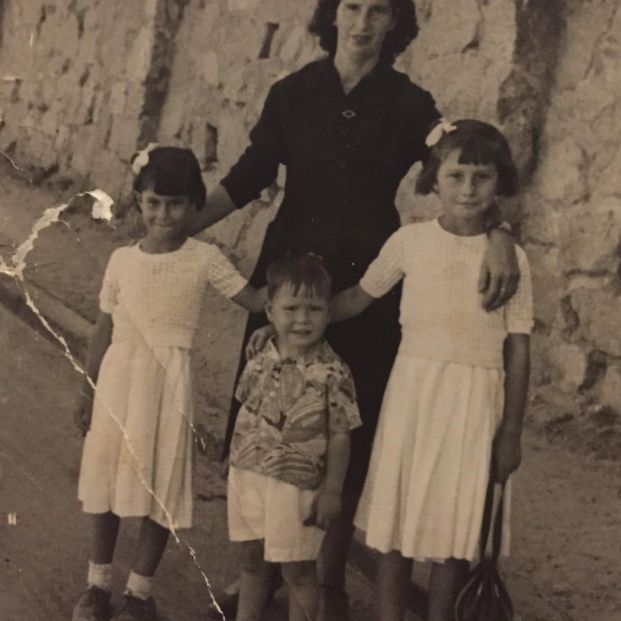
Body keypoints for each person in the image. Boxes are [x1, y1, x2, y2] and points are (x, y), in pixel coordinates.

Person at [196, 1, 520, 617]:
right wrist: (177, 231)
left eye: (379, 10)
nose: (363, 21)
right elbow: (246, 177)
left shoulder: (412, 104)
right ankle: (261, 568)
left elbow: (464, 158)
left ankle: (327, 576)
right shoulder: (291, 92)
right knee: (268, 418)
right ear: (332, 14)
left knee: (349, 428)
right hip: (290, 281)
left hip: (369, 284)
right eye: (352, 6)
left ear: (396, 23)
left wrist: (498, 232)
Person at [330, 119, 532, 621]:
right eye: (456, 175)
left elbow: (519, 350)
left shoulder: (512, 259)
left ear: (498, 182)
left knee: (456, 530)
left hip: (475, 401)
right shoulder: (410, 242)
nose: (468, 189)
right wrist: (295, 312)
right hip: (414, 394)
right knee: (397, 522)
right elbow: (358, 298)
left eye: (481, 177)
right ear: (433, 180)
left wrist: (511, 432)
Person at [71, 147, 265, 621]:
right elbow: (103, 327)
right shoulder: (121, 259)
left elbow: (255, 300)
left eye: (176, 204)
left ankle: (139, 592)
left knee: (160, 487)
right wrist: (87, 387)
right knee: (108, 481)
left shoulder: (204, 258)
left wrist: (301, 288)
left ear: (196, 204)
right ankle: (98, 585)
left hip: (170, 383)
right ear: (139, 201)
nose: (164, 215)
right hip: (119, 379)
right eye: (153, 203)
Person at [227, 253, 362, 621]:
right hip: (249, 476)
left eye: (314, 309)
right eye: (292, 308)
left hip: (298, 486)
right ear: (270, 311)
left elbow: (339, 436)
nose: (302, 319)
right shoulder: (258, 356)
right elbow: (246, 413)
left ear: (328, 313)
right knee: (252, 563)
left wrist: (332, 490)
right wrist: (234, 465)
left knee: (298, 571)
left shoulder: (333, 372)